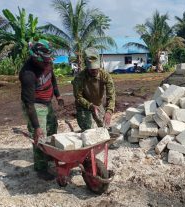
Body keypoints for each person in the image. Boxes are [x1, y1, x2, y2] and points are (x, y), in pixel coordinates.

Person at [19, 39, 64, 180]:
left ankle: (49, 155)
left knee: (52, 129)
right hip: (35, 105)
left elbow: (53, 79)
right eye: (44, 61)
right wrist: (36, 127)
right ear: (35, 57)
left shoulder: (47, 62)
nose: (47, 63)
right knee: (40, 136)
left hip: (47, 101)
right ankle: (40, 168)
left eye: (49, 60)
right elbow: (29, 104)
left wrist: (58, 95)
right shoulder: (28, 74)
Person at [73, 47, 115, 131]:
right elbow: (78, 96)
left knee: (104, 127)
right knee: (88, 130)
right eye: (91, 69)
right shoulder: (80, 78)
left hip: (98, 104)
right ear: (86, 66)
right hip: (83, 105)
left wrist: (109, 111)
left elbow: (111, 95)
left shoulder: (105, 76)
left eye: (96, 69)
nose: (94, 71)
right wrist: (90, 106)